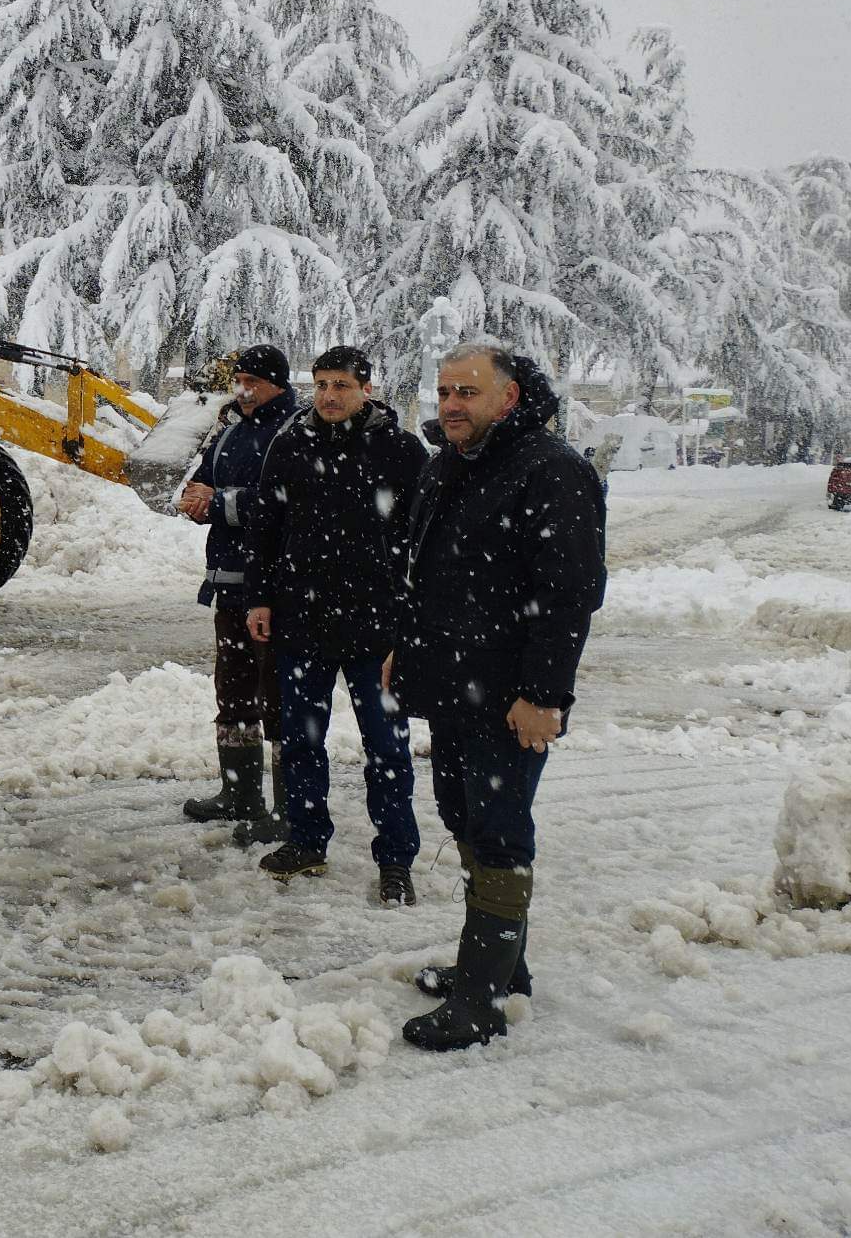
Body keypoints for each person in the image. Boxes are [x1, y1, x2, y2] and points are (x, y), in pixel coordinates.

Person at [387, 341, 606, 1051]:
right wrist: (404, 648)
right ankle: (501, 970)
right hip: (451, 683)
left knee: (500, 831)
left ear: (507, 398)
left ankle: (480, 1003)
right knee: (462, 812)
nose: (451, 404)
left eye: (468, 393)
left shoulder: (553, 472)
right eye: (445, 391)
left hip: (510, 695)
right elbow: (424, 570)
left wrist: (544, 693)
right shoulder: (453, 463)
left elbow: (569, 595)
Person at [244, 346, 430, 903]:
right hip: (303, 621)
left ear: (366, 389)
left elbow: (424, 537)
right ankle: (306, 840)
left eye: (342, 385)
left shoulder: (400, 451)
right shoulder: (291, 445)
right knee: (301, 742)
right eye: (321, 383)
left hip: (378, 627)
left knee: (387, 748)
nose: (328, 395)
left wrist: (411, 609)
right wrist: (260, 597)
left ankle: (396, 858)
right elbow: (265, 527)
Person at [175, 344, 298, 842]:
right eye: (239, 379)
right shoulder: (230, 428)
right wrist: (196, 497)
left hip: (276, 588)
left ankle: (290, 809)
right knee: (233, 690)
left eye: (253, 381)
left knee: (279, 696)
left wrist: (222, 501)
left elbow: (286, 501)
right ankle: (239, 793)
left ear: (277, 383)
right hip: (229, 581)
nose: (243, 389)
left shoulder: (294, 431)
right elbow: (202, 479)